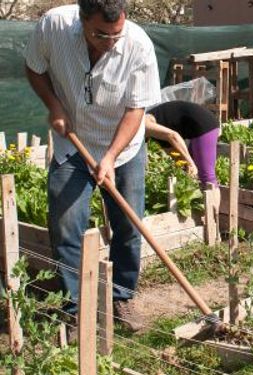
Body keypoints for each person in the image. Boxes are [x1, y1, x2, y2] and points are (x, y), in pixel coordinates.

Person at [24, 0, 160, 331]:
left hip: (123, 147)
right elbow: (34, 67)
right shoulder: (53, 26)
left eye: (117, 34)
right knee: (66, 227)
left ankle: (122, 298)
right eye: (102, 35)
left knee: (128, 225)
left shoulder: (138, 44)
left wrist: (110, 157)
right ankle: (74, 307)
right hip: (73, 145)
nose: (112, 42)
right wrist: (54, 105)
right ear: (82, 21)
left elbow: (136, 109)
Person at [146, 101, 220, 188]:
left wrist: (190, 163)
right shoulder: (155, 133)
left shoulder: (144, 125)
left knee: (207, 178)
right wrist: (184, 168)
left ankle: (214, 201)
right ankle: (201, 200)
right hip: (193, 127)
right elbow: (174, 153)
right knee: (192, 173)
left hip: (204, 124)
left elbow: (173, 136)